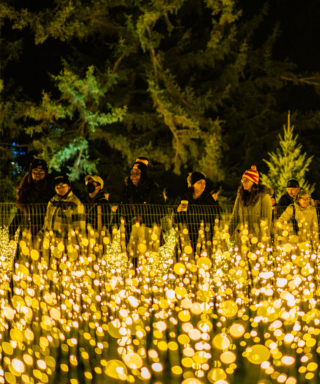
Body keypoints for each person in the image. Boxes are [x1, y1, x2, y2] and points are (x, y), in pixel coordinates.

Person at [120, 158, 166, 254]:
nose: (134, 176)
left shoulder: (153, 189)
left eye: (138, 173)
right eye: (132, 173)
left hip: (149, 234)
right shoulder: (128, 190)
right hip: (131, 234)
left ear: (144, 174)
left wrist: (143, 218)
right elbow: (121, 210)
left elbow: (162, 210)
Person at [9, 158, 53, 242]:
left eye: (41, 172)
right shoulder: (25, 188)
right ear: (31, 172)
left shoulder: (50, 188)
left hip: (44, 230)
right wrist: (12, 230)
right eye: (35, 171)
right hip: (27, 230)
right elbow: (19, 212)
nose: (38, 174)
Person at [174, 172, 221, 248]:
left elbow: (217, 214)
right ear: (193, 184)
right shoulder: (183, 197)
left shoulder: (208, 198)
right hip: (186, 236)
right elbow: (175, 219)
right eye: (199, 182)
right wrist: (177, 211)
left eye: (204, 183)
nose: (203, 185)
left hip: (204, 237)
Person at [229, 165, 273, 244]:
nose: (244, 183)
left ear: (254, 182)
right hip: (243, 238)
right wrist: (227, 234)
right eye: (243, 180)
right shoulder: (240, 196)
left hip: (258, 240)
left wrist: (262, 240)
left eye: (247, 180)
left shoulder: (264, 197)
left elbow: (266, 221)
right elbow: (235, 217)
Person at [41, 174, 86, 245]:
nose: (61, 189)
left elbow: (80, 228)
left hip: (67, 243)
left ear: (69, 186)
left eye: (63, 186)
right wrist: (42, 236)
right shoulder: (52, 201)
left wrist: (78, 244)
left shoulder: (75, 203)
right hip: (51, 242)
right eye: (57, 187)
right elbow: (47, 221)